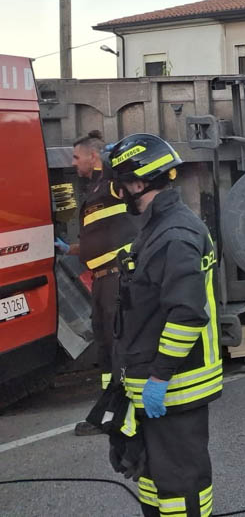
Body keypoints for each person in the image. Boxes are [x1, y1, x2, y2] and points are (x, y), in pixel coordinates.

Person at [108, 133, 221, 517]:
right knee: (154, 479)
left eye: (121, 184)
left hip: (173, 386)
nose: (119, 193)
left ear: (139, 183)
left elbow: (187, 313)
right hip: (155, 384)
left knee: (180, 484)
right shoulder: (160, 228)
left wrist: (158, 378)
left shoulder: (174, 235)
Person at [62, 131, 138, 436]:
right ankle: (109, 406)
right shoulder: (92, 190)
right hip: (101, 282)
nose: (73, 162)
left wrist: (114, 156)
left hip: (117, 277)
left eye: (76, 156)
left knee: (119, 343)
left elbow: (134, 185)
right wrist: (67, 249)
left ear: (94, 156)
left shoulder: (112, 181)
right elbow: (97, 237)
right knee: (105, 346)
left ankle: (125, 411)